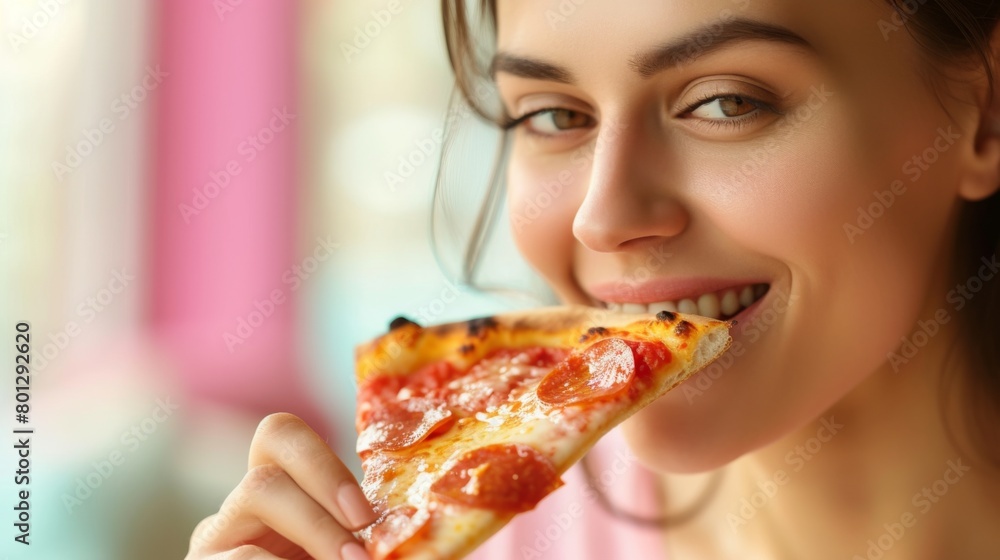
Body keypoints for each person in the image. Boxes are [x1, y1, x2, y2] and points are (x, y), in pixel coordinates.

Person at [185, 0, 1000, 558]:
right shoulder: (480, 525)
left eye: (724, 103)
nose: (602, 219)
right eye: (552, 115)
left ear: (984, 114)